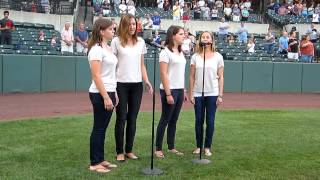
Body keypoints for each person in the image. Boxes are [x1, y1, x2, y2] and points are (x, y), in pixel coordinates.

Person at [111, 14, 153, 162]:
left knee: (132, 119)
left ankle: (129, 150)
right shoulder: (116, 41)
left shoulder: (141, 42)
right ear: (123, 25)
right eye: (129, 24)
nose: (132, 26)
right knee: (121, 118)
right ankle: (119, 151)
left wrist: (146, 80)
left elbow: (141, 64)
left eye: (134, 24)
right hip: (120, 84)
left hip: (136, 85)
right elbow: (112, 64)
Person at [87, 18, 118, 173]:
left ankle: (101, 159)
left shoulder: (108, 48)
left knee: (103, 128)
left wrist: (114, 93)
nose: (113, 31)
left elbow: (111, 74)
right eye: (111, 29)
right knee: (99, 128)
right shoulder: (96, 49)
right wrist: (106, 96)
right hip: (100, 93)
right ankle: (94, 163)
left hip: (110, 91)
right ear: (101, 31)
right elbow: (97, 76)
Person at [189, 31, 224, 157]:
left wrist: (220, 95)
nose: (205, 38)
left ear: (211, 40)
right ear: (200, 40)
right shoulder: (195, 57)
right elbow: (191, 76)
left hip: (213, 93)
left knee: (210, 121)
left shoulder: (218, 56)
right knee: (198, 120)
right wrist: (191, 93)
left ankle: (207, 147)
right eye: (203, 37)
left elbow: (221, 77)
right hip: (198, 93)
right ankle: (199, 146)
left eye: (207, 37)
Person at [155, 25, 187, 158]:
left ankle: (171, 147)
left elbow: (181, 74)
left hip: (179, 90)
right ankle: (158, 149)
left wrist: (184, 90)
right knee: (165, 119)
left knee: (174, 120)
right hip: (169, 90)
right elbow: (163, 74)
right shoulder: (165, 52)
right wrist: (168, 93)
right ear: (173, 36)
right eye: (181, 34)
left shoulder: (181, 52)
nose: (183, 36)